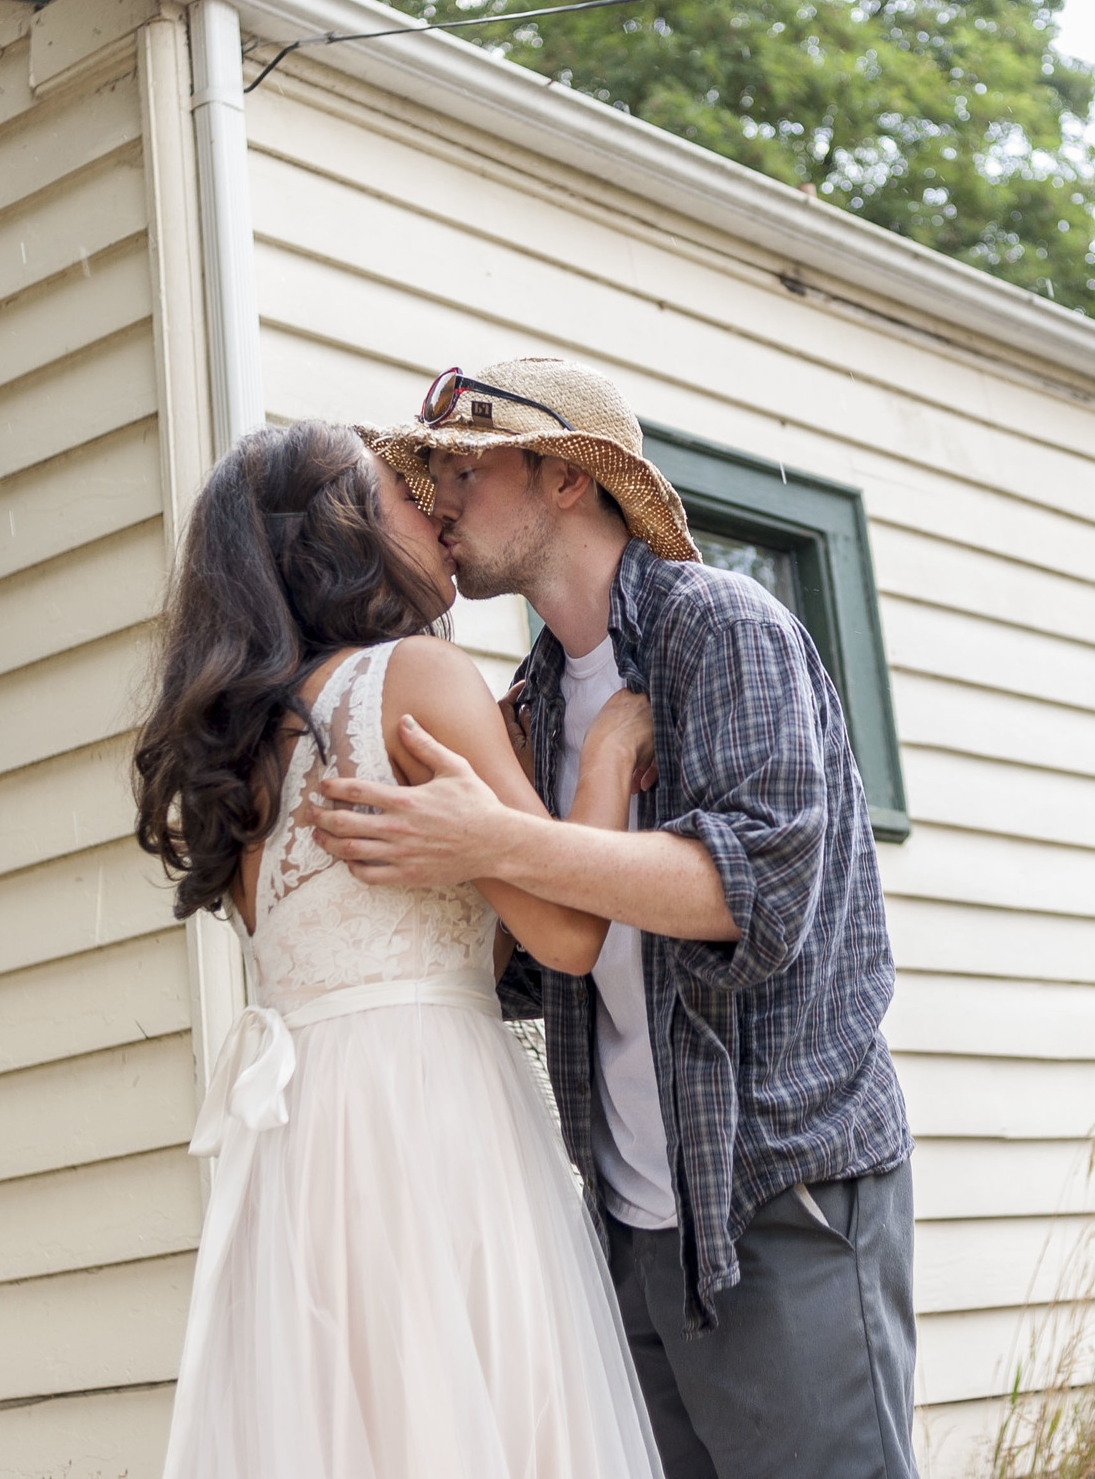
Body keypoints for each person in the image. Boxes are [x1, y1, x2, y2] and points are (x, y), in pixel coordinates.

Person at [312, 358, 919, 1479]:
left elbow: (751, 896)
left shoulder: (720, 630)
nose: (439, 492)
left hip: (775, 1191)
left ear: (566, 482)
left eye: (464, 464)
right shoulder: (529, 704)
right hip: (631, 1214)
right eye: (429, 471)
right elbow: (543, 967)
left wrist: (495, 842)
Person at [130, 420, 665, 1479]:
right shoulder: (413, 677)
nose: (435, 508)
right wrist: (605, 756)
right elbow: (563, 936)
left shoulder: (243, 755)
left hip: (305, 1148)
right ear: (341, 533)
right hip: (430, 1119)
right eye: (403, 495)